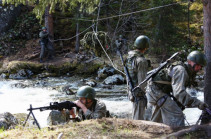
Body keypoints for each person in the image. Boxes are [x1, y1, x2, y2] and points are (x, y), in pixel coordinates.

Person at [146, 50, 208, 127]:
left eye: (201, 66)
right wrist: (198, 103)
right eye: (198, 65)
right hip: (156, 91)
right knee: (177, 115)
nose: (200, 68)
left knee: (160, 116)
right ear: (190, 62)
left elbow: (177, 92)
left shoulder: (187, 71)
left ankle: (154, 131)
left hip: (158, 91)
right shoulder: (181, 70)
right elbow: (179, 94)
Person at [126, 35, 150, 120]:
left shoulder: (129, 57)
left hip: (131, 89)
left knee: (135, 113)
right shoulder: (141, 61)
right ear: (145, 47)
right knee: (138, 117)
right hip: (138, 92)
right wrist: (146, 93)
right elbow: (142, 82)